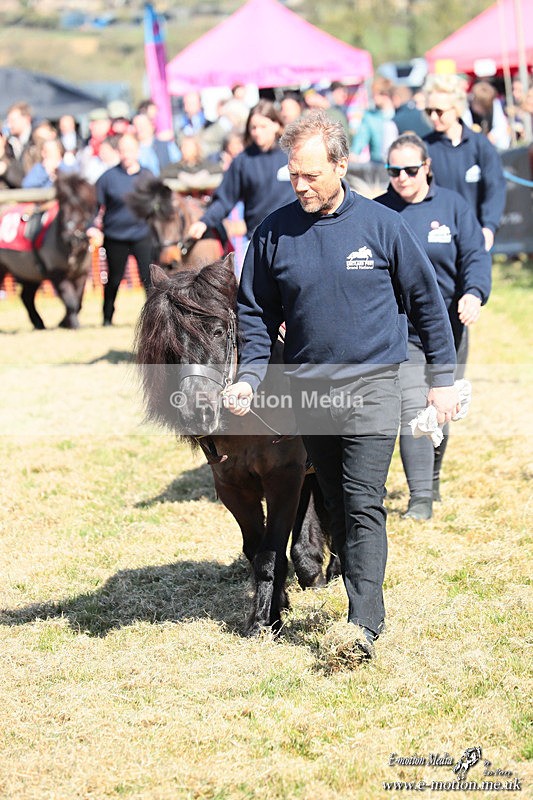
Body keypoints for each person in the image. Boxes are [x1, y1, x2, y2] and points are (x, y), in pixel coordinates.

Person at [221, 111, 459, 659]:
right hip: (310, 390)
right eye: (292, 176)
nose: (300, 185)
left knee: (361, 500)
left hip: (375, 384)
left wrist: (441, 379)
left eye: (310, 175)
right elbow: (255, 312)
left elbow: (426, 302)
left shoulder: (381, 225)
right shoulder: (273, 234)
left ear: (342, 164)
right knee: (332, 498)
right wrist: (252, 375)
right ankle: (355, 595)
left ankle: (363, 624)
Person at [375, 133, 491, 519]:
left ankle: (434, 480)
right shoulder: (379, 213)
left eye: (410, 170)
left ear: (427, 167)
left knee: (442, 405)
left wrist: (473, 292)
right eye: (394, 171)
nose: (402, 178)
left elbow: (475, 256)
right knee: (413, 404)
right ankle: (420, 499)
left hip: (449, 329)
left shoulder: (454, 207)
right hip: (402, 331)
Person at [187, 99, 295, 272]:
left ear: (276, 125)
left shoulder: (293, 155)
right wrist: (205, 221)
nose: (257, 132)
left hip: (293, 238)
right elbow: (224, 199)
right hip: (258, 239)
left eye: (263, 126)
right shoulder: (242, 161)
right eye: (253, 127)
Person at [422, 73, 507, 252]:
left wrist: (489, 227)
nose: (434, 117)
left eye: (439, 111)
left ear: (456, 109)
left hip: (474, 238)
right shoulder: (424, 147)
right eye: (429, 111)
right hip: (436, 240)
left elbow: (495, 188)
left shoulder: (480, 145)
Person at [86, 133, 154, 326]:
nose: (127, 155)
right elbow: (94, 207)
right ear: (118, 152)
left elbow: (158, 206)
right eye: (123, 151)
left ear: (138, 151)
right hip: (116, 236)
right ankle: (107, 317)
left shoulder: (148, 176)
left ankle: (153, 319)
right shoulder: (108, 178)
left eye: (131, 150)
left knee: (148, 280)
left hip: (143, 235)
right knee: (114, 280)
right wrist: (92, 227)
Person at [350, 77, 399, 165]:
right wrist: (354, 154)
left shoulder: (399, 115)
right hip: (378, 166)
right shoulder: (369, 117)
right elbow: (359, 141)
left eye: (374, 94)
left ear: (385, 95)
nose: (372, 97)